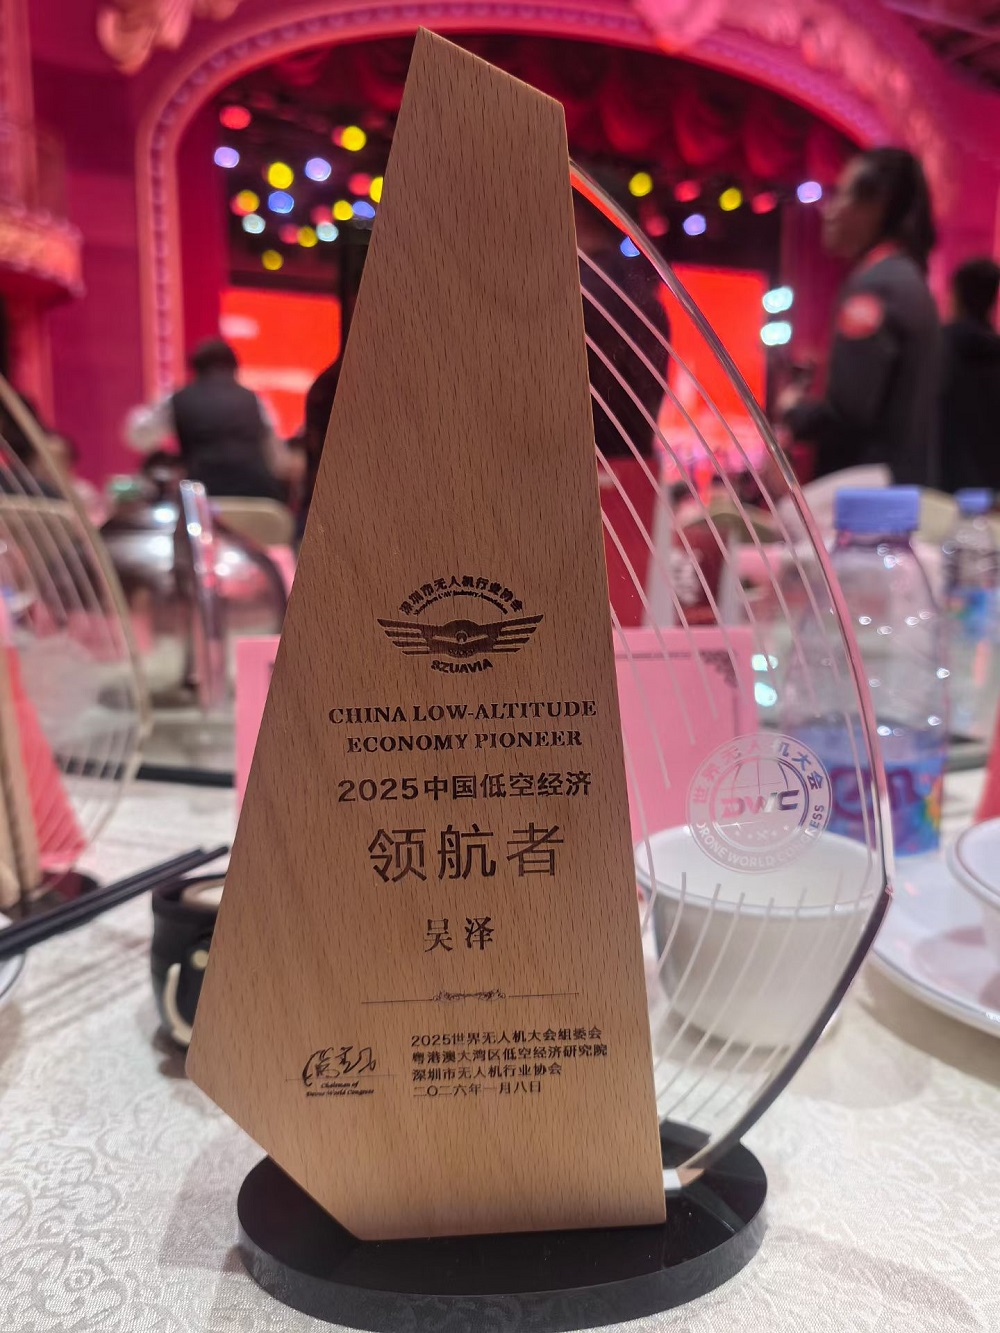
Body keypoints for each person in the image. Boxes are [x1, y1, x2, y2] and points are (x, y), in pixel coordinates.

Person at [780, 147, 941, 487]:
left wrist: (794, 411)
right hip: (896, 491)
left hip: (862, 498)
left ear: (876, 205)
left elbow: (848, 414)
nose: (829, 210)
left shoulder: (876, 287)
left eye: (841, 194)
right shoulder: (907, 279)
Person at [127, 339, 288, 500]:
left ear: (195, 370)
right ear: (235, 368)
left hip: (201, 498)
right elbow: (279, 460)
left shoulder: (178, 399)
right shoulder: (254, 400)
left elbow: (138, 437)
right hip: (256, 497)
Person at [938, 257, 1000, 493]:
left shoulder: (937, 348)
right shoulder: (994, 351)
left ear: (957, 295)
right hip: (993, 488)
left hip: (943, 485)